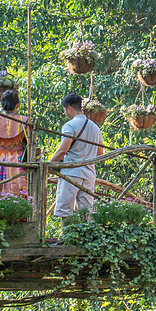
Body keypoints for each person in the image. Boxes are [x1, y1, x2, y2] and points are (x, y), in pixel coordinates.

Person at [49, 93, 103, 222]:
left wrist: (48, 164)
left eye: (65, 110)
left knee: (65, 211)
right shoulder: (95, 128)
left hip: (71, 173)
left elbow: (63, 150)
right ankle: (85, 238)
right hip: (89, 173)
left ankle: (68, 238)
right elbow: (100, 154)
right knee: (86, 211)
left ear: (69, 108)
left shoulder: (70, 125)